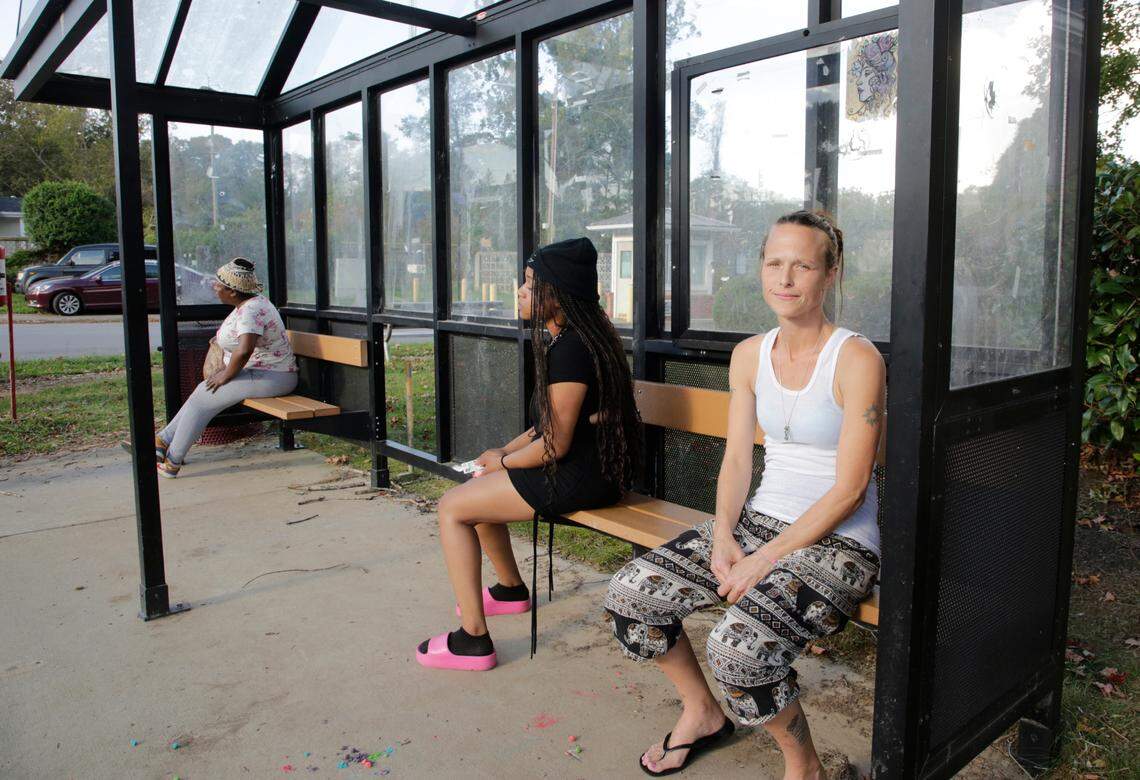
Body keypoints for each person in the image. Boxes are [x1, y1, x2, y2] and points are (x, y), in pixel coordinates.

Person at [604, 211, 885, 778]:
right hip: (760, 521)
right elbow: (737, 459)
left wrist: (763, 559)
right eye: (773, 263)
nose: (785, 278)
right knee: (631, 596)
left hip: (839, 541)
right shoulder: (750, 354)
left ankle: (804, 767)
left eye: (802, 265)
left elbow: (851, 490)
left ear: (828, 275)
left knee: (737, 650)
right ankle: (702, 712)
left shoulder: (856, 358)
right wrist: (726, 535)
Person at [416, 237, 641, 671]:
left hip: (582, 476)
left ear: (558, 294)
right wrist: (505, 450)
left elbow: (554, 445)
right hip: (590, 468)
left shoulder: (572, 350)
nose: (520, 290)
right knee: (477, 489)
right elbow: (548, 425)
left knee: (451, 508)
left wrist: (501, 463)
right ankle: (509, 590)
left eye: (531, 283)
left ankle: (473, 641)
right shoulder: (576, 337)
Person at [152, 258, 297, 478]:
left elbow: (245, 349)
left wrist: (226, 375)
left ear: (232, 292)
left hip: (273, 376)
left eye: (219, 284)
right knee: (203, 391)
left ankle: (173, 460)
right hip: (259, 372)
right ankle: (163, 440)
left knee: (205, 397)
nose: (214, 286)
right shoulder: (248, 303)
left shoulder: (251, 311)